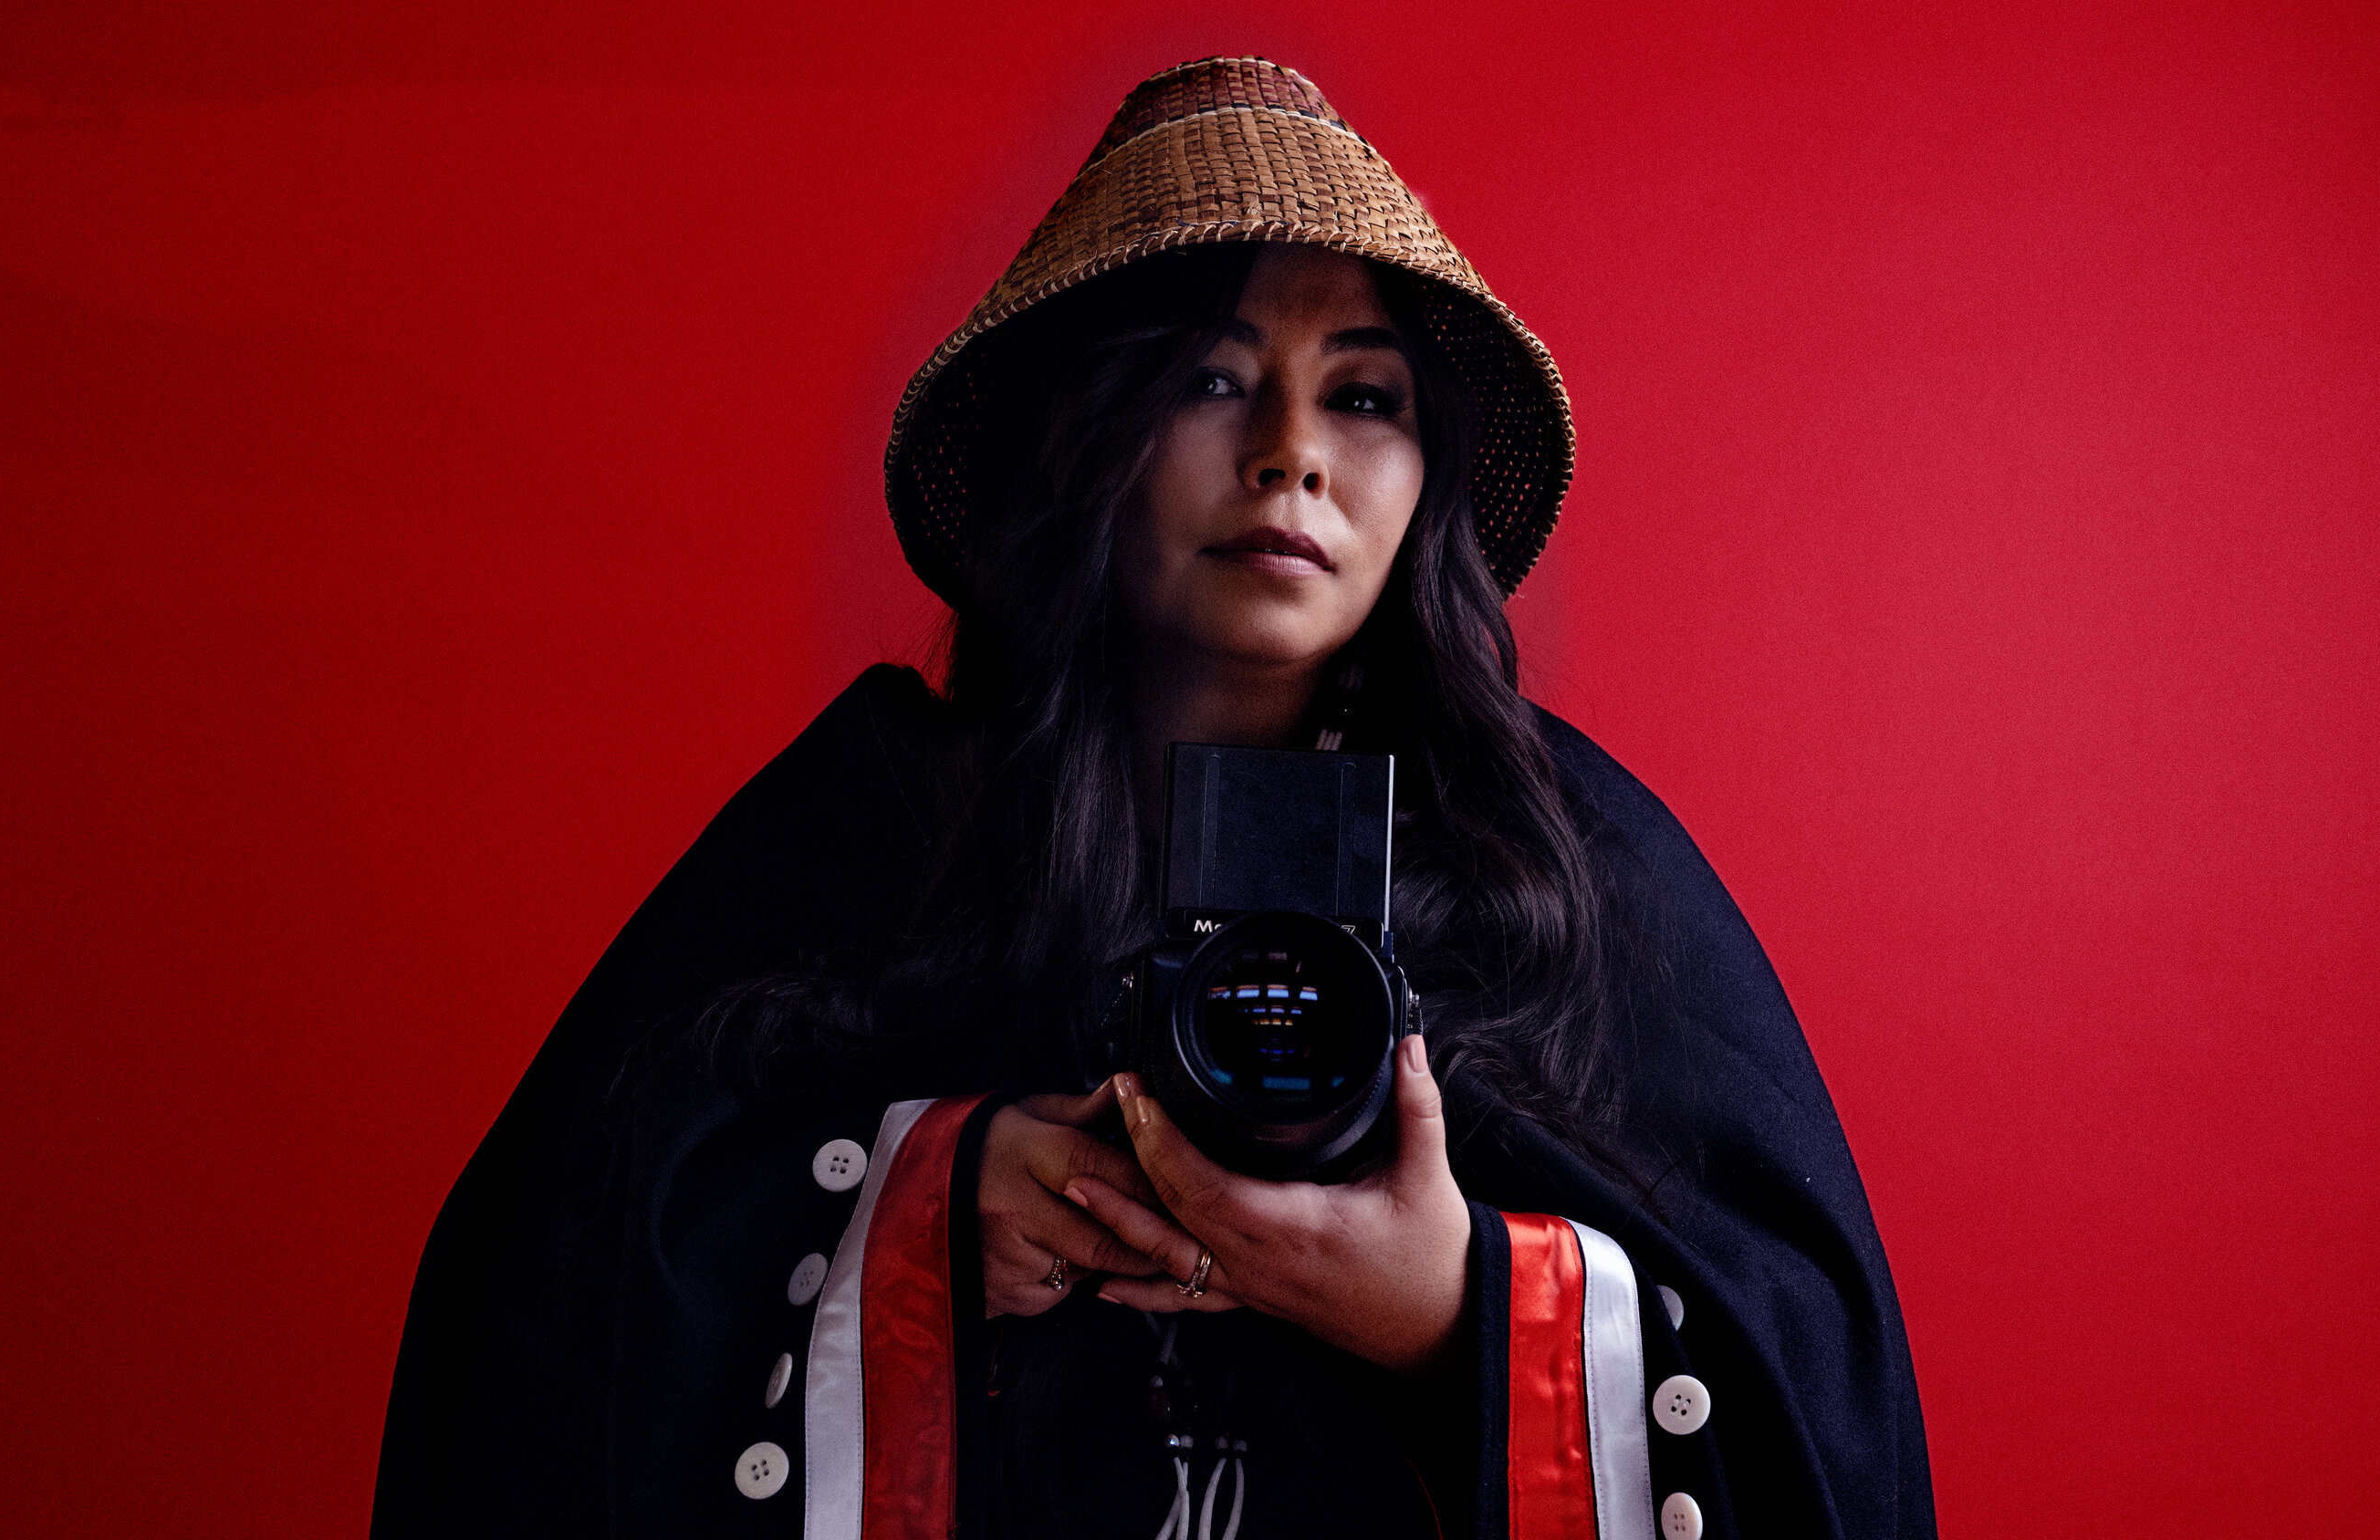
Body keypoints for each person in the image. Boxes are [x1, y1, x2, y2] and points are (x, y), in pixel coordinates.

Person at [374, 57, 1935, 1540]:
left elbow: (1814, 1394)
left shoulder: (1568, 864)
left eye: (1367, 397)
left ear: (1429, 477)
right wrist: (931, 1205)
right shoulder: (878, 829)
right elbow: (537, 1301)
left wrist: (1458, 1308)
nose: (1290, 458)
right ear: (1083, 432)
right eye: (1212, 378)